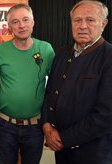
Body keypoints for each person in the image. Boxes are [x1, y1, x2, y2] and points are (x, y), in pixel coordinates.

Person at [42, 1, 112, 164]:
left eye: (90, 20)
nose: (82, 26)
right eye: (77, 20)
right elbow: (49, 93)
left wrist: (62, 138)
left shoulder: (109, 58)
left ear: (103, 24)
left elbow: (106, 116)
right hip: (62, 152)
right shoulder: (61, 54)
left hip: (94, 154)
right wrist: (46, 125)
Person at [0, 3, 55, 164]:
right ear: (9, 27)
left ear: (33, 22)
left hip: (35, 126)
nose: (21, 25)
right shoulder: (0, 51)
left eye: (25, 20)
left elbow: (56, 87)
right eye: (15, 21)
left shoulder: (46, 50)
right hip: (5, 126)